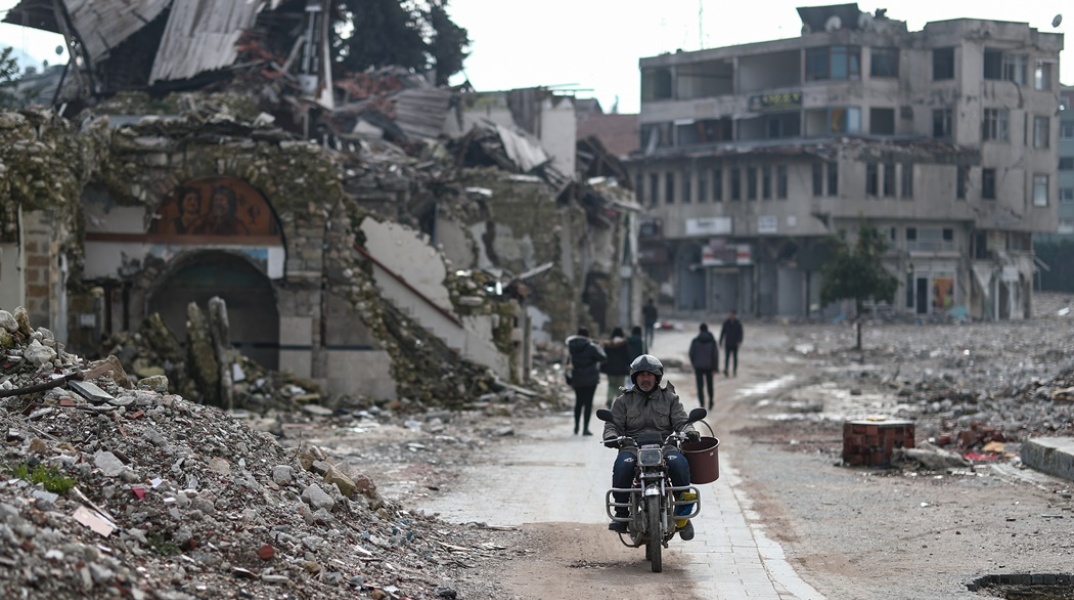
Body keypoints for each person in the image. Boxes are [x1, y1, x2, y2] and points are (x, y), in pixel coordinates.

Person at [603, 354, 699, 540]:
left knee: (679, 464)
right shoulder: (623, 400)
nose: (645, 378)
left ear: (657, 377)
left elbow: (682, 421)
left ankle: (683, 516)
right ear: (634, 377)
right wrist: (611, 437)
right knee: (623, 465)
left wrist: (690, 431)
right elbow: (612, 425)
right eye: (641, 375)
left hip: (665, 446)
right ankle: (622, 514)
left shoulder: (670, 398)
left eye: (649, 374)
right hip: (632, 446)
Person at [565, 327, 607, 436]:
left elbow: (567, 362)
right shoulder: (591, 347)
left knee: (578, 402)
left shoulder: (571, 346)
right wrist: (599, 347)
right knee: (588, 404)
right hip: (591, 378)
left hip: (577, 377)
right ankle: (585, 429)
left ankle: (576, 426)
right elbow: (603, 358)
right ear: (587, 336)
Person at [688, 323, 719, 409]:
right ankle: (711, 402)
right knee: (710, 385)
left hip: (698, 367)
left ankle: (702, 404)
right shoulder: (712, 341)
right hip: (709, 367)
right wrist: (715, 368)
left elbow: (691, 353)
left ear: (700, 330)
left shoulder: (695, 340)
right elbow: (715, 355)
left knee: (700, 387)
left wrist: (694, 364)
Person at [600, 327, 631, 408]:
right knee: (620, 386)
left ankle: (609, 400)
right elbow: (627, 356)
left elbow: (604, 357)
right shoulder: (624, 344)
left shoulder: (608, 345)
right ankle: (620, 403)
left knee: (611, 385)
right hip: (621, 369)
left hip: (610, 369)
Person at [719, 310, 744, 377]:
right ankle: (726, 370)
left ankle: (734, 371)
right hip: (728, 343)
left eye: (732, 314)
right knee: (727, 358)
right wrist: (720, 341)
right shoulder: (726, 323)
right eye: (730, 314)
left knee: (735, 358)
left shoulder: (738, 323)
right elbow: (722, 333)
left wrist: (740, 341)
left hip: (735, 343)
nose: (731, 316)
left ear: (734, 315)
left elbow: (740, 333)